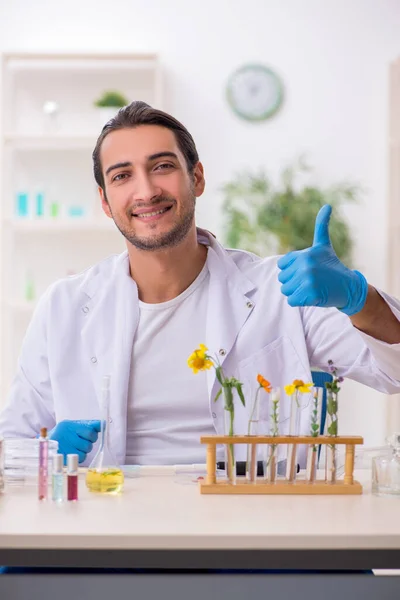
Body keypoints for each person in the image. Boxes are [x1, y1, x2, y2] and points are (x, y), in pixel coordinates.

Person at [0, 100, 400, 468]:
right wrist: (48, 449)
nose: (146, 190)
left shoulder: (278, 289)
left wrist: (358, 298)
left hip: (247, 522)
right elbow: (11, 444)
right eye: (123, 175)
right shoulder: (64, 306)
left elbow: (393, 374)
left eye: (162, 166)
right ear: (105, 201)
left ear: (197, 178)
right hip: (111, 522)